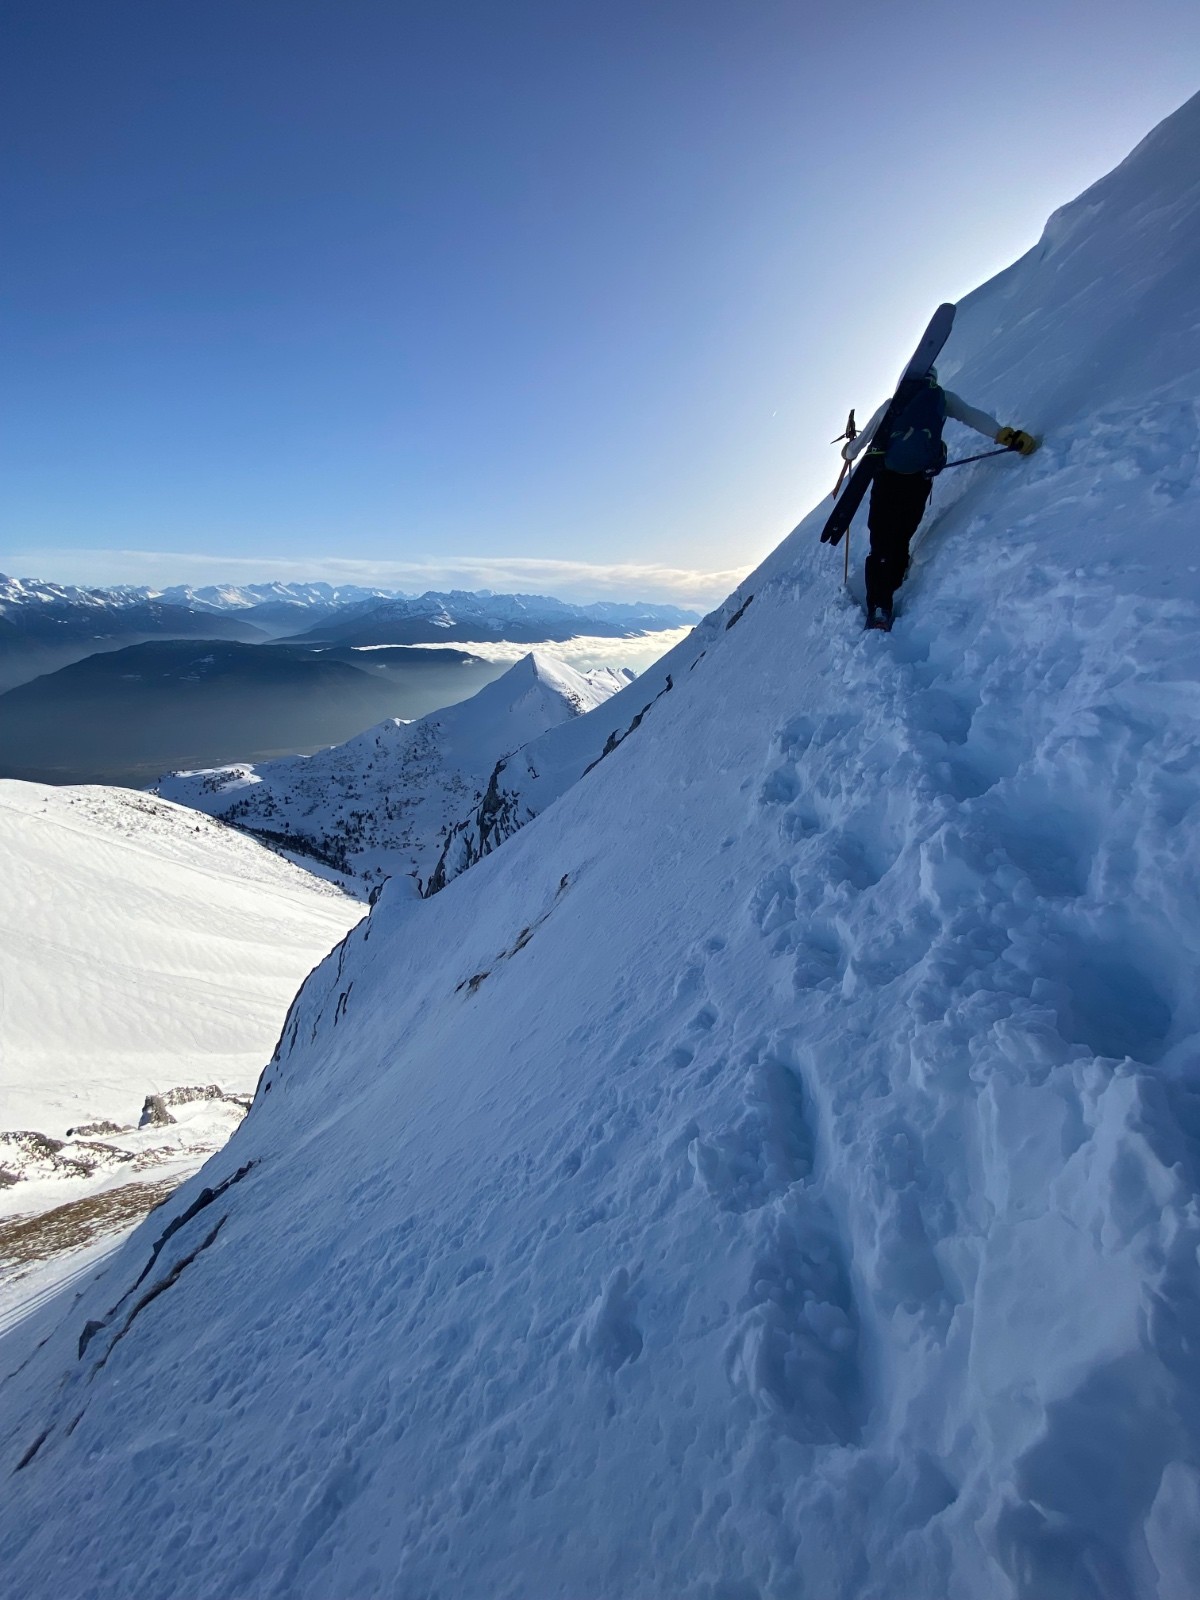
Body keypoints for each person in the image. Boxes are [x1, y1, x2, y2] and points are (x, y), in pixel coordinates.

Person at [839, 370, 1037, 629]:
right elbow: (972, 416)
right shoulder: (943, 398)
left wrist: (847, 450)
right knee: (903, 533)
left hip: (889, 479)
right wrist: (1006, 435)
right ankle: (895, 581)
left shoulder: (891, 405)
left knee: (882, 539)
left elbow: (856, 448)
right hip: (920, 479)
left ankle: (879, 606)